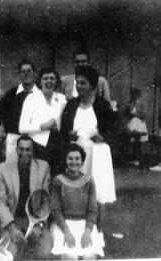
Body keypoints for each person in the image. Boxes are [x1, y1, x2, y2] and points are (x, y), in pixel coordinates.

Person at [60, 65, 116, 235]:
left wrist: (102, 136)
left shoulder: (102, 104)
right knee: (78, 191)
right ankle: (79, 229)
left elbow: (114, 130)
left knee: (97, 192)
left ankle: (98, 231)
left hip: (97, 154)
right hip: (77, 155)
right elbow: (64, 130)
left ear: (92, 85)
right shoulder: (71, 105)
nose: (78, 86)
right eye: (77, 82)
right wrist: (69, 134)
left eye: (83, 83)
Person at [0, 135, 53, 259]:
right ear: (16, 150)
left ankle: (28, 244)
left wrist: (39, 225)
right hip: (13, 219)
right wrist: (11, 227)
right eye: (21, 149)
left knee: (45, 252)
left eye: (28, 149)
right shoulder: (3, 168)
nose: (24, 153)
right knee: (10, 254)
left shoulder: (43, 167)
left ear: (33, 151)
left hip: (36, 219)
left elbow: (46, 200)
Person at [51, 143, 104, 260]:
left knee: (90, 256)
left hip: (85, 225)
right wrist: (66, 232)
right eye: (70, 158)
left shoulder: (89, 180)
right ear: (65, 160)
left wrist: (88, 231)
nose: (73, 162)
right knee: (71, 257)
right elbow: (56, 210)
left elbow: (93, 209)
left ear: (82, 160)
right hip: (64, 225)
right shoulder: (57, 181)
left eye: (77, 158)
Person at [19, 67, 67, 176]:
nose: (49, 81)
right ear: (40, 81)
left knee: (57, 176)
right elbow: (21, 127)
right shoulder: (31, 98)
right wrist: (42, 127)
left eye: (52, 78)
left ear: (56, 81)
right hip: (38, 144)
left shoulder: (61, 98)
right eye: (45, 78)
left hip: (57, 144)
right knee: (40, 177)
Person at [0, 60, 40, 162]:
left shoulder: (41, 93)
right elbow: (1, 112)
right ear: (19, 75)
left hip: (35, 138)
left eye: (29, 71)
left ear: (34, 73)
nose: (26, 74)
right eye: (23, 71)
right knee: (11, 168)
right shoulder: (11, 94)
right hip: (14, 138)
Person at [125, 88, 148, 166]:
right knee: (135, 140)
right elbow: (126, 113)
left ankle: (138, 159)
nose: (135, 97)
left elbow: (144, 115)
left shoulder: (141, 104)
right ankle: (136, 159)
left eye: (137, 95)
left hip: (139, 123)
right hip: (132, 123)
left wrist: (136, 115)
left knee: (138, 140)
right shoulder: (130, 103)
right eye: (134, 95)